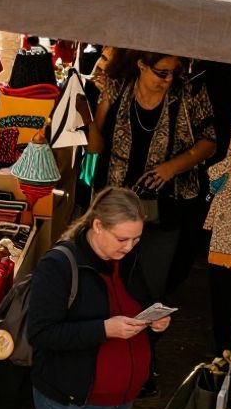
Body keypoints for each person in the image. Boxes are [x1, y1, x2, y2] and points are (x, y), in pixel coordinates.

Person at [28, 188, 169, 409]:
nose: (129, 247)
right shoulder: (58, 266)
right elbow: (41, 333)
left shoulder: (129, 259)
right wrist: (104, 329)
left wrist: (155, 322)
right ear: (98, 226)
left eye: (136, 239)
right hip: (74, 406)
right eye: (122, 239)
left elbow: (142, 303)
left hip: (122, 401)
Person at [79, 49, 216, 301]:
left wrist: (170, 168)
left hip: (165, 207)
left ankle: (141, 332)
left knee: (151, 284)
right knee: (107, 280)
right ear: (141, 65)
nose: (168, 80)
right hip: (116, 203)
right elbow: (96, 144)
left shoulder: (188, 91)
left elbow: (210, 142)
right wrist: (90, 117)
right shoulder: (118, 86)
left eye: (173, 72)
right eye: (161, 73)